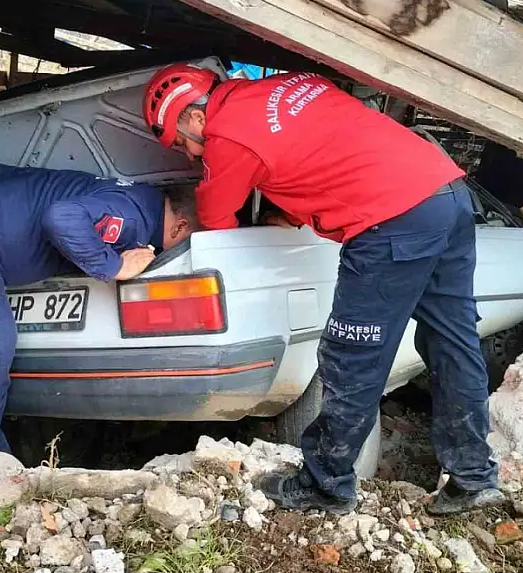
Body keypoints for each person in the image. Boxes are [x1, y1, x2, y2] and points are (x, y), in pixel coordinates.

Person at [142, 64, 503, 516]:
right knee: (452, 338)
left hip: (390, 222)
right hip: (444, 194)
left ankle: (325, 483)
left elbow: (217, 224)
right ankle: (473, 476)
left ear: (195, 118)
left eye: (183, 143)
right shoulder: (287, 84)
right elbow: (324, 152)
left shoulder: (227, 137)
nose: (192, 155)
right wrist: (292, 214)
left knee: (352, 355)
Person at [0, 159, 199, 456]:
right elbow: (61, 218)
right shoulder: (131, 216)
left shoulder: (143, 203)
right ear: (180, 226)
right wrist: (114, 266)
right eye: (187, 242)